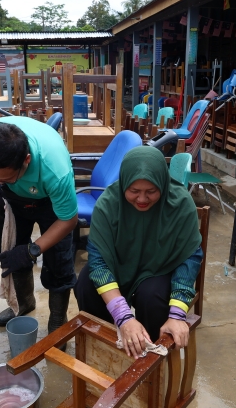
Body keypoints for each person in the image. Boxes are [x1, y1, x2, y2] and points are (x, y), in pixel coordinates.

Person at [74, 147, 202, 357]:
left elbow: (190, 257)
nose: (142, 199)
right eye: (134, 191)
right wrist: (123, 317)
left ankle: (150, 355)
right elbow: (98, 261)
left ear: (162, 182)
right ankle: (107, 348)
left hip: (159, 268)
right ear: (124, 183)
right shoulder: (108, 204)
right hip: (119, 264)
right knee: (86, 285)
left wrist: (178, 315)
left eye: (151, 191)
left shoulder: (180, 204)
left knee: (152, 296)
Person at [0, 116, 78, 330]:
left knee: (58, 258)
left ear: (26, 160)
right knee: (10, 251)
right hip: (13, 199)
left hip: (48, 199)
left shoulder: (55, 170)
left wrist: (32, 250)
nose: (0, 182)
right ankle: (23, 304)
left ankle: (58, 317)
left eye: (7, 178)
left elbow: (68, 220)